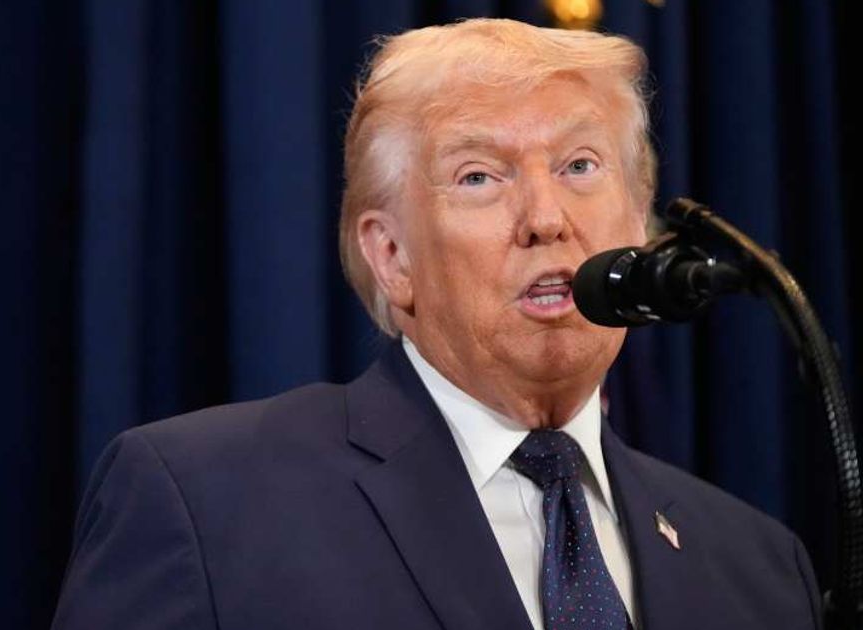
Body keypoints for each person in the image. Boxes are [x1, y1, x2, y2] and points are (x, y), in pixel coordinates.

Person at [52, 18, 822, 630]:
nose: (546, 218)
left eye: (581, 166)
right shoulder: (204, 500)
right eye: (480, 176)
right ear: (392, 257)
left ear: (638, 224)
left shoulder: (757, 566)